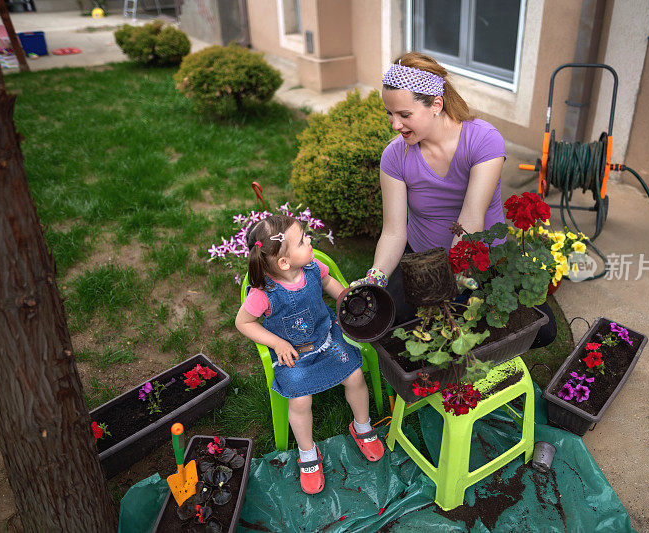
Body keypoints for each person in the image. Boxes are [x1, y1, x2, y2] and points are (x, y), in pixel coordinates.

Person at [353, 52, 557, 348]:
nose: (394, 125)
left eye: (404, 115)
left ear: (436, 104)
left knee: (542, 330)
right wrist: (377, 276)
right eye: (389, 113)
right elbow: (395, 231)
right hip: (421, 260)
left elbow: (471, 220)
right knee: (390, 329)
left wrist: (448, 285)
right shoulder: (395, 156)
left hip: (481, 257)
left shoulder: (483, 141)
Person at [235, 214, 384, 495]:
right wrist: (276, 343)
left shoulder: (314, 267)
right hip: (292, 353)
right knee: (300, 399)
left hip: (325, 337)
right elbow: (243, 322)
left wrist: (345, 306)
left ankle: (361, 426)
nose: (310, 240)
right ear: (283, 262)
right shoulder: (262, 293)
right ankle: (307, 452)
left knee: (354, 375)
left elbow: (331, 286)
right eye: (303, 240)